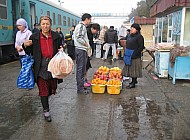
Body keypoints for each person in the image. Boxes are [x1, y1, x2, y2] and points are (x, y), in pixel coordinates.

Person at [23, 16, 63, 122]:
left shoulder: (56, 36)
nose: (45, 26)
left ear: (50, 24)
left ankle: (46, 100)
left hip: (53, 66)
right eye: (43, 24)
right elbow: (29, 52)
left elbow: (60, 47)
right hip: (40, 66)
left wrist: (62, 49)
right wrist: (25, 46)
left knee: (51, 88)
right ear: (40, 25)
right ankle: (46, 111)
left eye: (47, 24)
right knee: (43, 89)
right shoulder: (34, 36)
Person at [73, 13, 92, 94]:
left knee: (82, 69)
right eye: (90, 19)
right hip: (81, 50)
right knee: (81, 69)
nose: (90, 21)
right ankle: (80, 88)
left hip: (81, 49)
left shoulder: (80, 26)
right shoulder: (81, 26)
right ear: (86, 19)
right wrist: (85, 44)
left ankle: (81, 86)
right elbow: (78, 37)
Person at [122, 23, 145, 89]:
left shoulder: (139, 37)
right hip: (128, 54)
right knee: (130, 68)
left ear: (137, 30)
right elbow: (125, 39)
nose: (131, 29)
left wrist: (135, 53)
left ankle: (133, 83)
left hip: (135, 55)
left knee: (134, 69)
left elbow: (141, 47)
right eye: (131, 28)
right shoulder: (129, 35)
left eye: (133, 28)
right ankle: (134, 81)